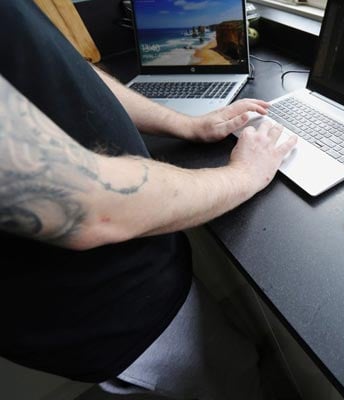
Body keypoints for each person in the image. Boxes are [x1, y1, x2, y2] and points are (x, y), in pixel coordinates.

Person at [0, 1, 297, 399]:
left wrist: (187, 125)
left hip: (135, 273)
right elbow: (91, 208)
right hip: (105, 308)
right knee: (228, 379)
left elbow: (62, 68)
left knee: (229, 355)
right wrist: (243, 175)